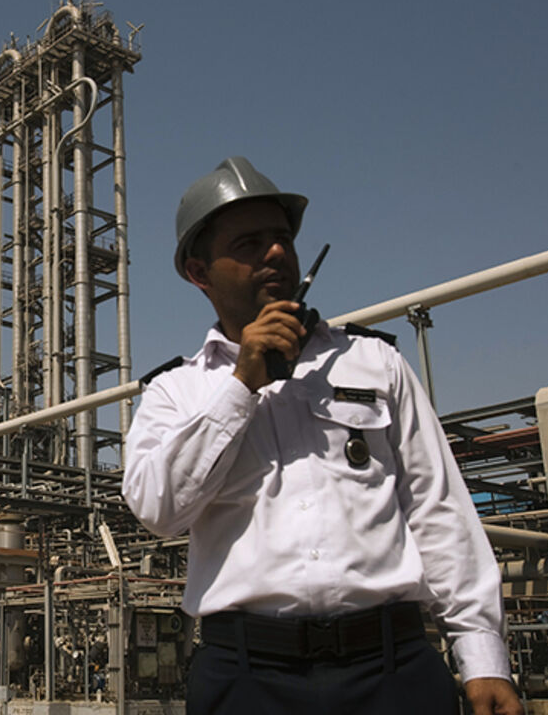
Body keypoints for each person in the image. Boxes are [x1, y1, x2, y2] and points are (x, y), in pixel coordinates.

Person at [121, 157, 522, 715]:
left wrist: (482, 656)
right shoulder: (176, 392)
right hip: (247, 679)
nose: (277, 253)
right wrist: (241, 387)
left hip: (392, 669)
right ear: (199, 272)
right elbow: (158, 510)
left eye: (283, 238)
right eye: (249, 242)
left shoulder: (374, 362)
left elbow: (438, 509)